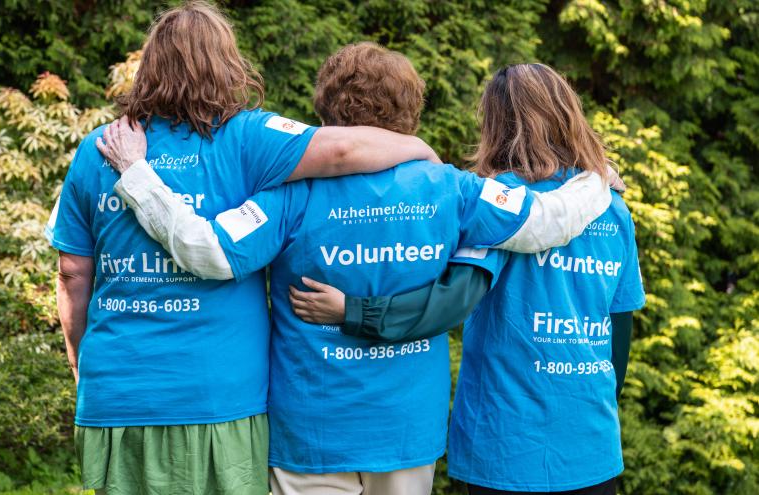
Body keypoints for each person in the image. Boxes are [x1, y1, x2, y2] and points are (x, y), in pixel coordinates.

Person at [98, 44, 617, 495]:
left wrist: (139, 177)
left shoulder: (288, 194)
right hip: (407, 430)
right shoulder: (450, 188)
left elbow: (207, 249)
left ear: (325, 110)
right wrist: (596, 177)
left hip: (311, 429)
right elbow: (549, 219)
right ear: (411, 110)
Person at [45, 3, 448, 494]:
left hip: (121, 388)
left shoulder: (99, 148)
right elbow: (342, 151)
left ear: (149, 66)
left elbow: (72, 274)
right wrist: (420, 150)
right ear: (226, 63)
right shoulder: (248, 138)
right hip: (222, 391)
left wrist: (81, 361)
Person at [291, 64, 646, 495]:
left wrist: (356, 311)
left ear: (496, 125)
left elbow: (451, 301)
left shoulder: (497, 205)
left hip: (505, 444)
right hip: (592, 441)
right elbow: (619, 329)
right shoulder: (614, 210)